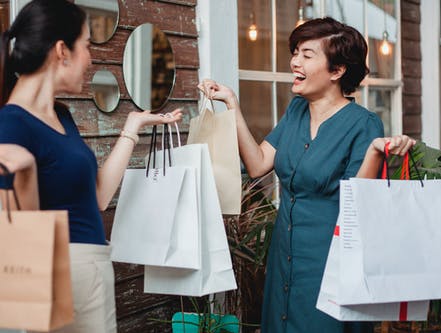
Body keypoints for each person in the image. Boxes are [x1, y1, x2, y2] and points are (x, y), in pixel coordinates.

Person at [199, 17, 415, 333]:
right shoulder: (296, 110)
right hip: (284, 258)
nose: (294, 61)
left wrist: (374, 152)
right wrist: (232, 104)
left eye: (307, 54)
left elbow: (360, 201)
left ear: (337, 70)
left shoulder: (363, 124)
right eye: (295, 52)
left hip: (331, 262)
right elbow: (258, 163)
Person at [0, 0, 182, 332]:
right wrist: (23, 172)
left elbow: (97, 197)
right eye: (85, 45)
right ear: (61, 51)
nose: (90, 57)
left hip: (91, 272)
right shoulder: (11, 124)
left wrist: (132, 126)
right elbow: (13, 226)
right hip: (59, 273)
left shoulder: (62, 116)